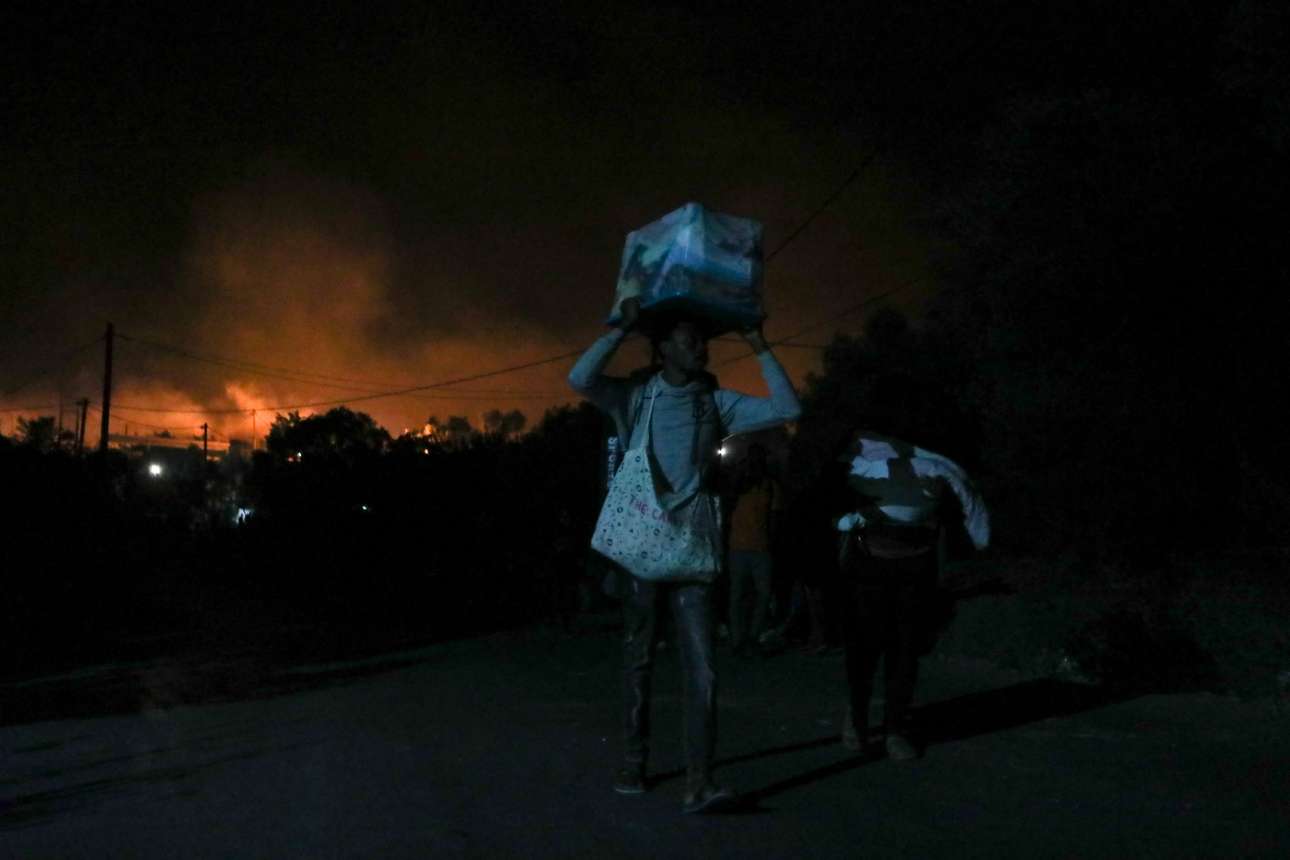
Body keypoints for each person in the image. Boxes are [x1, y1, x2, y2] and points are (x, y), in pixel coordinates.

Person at [568, 296, 801, 813]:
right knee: (639, 658)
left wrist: (759, 344)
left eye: (702, 338)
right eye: (687, 338)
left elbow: (789, 409)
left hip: (691, 543)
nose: (699, 347)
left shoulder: (714, 403)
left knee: (704, 668)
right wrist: (616, 331)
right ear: (661, 349)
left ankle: (700, 781)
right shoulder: (636, 395)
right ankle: (634, 760)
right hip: (641, 549)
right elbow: (580, 379)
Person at [835, 429, 990, 761]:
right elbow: (835, 497)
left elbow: (964, 495)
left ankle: (895, 728)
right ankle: (857, 719)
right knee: (864, 649)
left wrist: (977, 537)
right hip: (870, 565)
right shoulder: (863, 460)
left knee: (905, 650)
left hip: (915, 565)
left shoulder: (933, 464)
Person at [725, 443, 778, 658]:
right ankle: (745, 639)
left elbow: (774, 517)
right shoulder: (748, 484)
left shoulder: (766, 485)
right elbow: (774, 517)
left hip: (749, 547)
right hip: (748, 547)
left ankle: (745, 639)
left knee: (745, 596)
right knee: (749, 595)